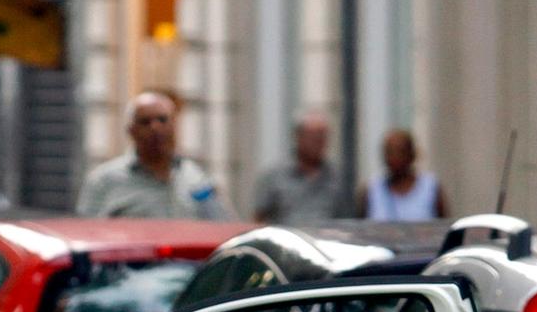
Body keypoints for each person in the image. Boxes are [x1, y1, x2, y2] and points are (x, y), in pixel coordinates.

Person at [78, 91, 224, 220]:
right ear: (131, 130)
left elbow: (221, 228)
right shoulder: (104, 182)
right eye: (145, 122)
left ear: (175, 125)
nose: (155, 128)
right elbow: (88, 234)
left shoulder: (197, 178)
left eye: (162, 119)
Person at [251, 112, 343, 226]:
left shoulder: (337, 178)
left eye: (322, 138)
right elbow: (259, 218)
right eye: (313, 138)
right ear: (299, 137)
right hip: (286, 240)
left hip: (324, 240)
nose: (318, 143)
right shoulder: (274, 177)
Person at [360, 128, 443, 222]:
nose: (394, 158)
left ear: (412, 154)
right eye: (389, 152)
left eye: (400, 151)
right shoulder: (372, 190)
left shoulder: (430, 188)